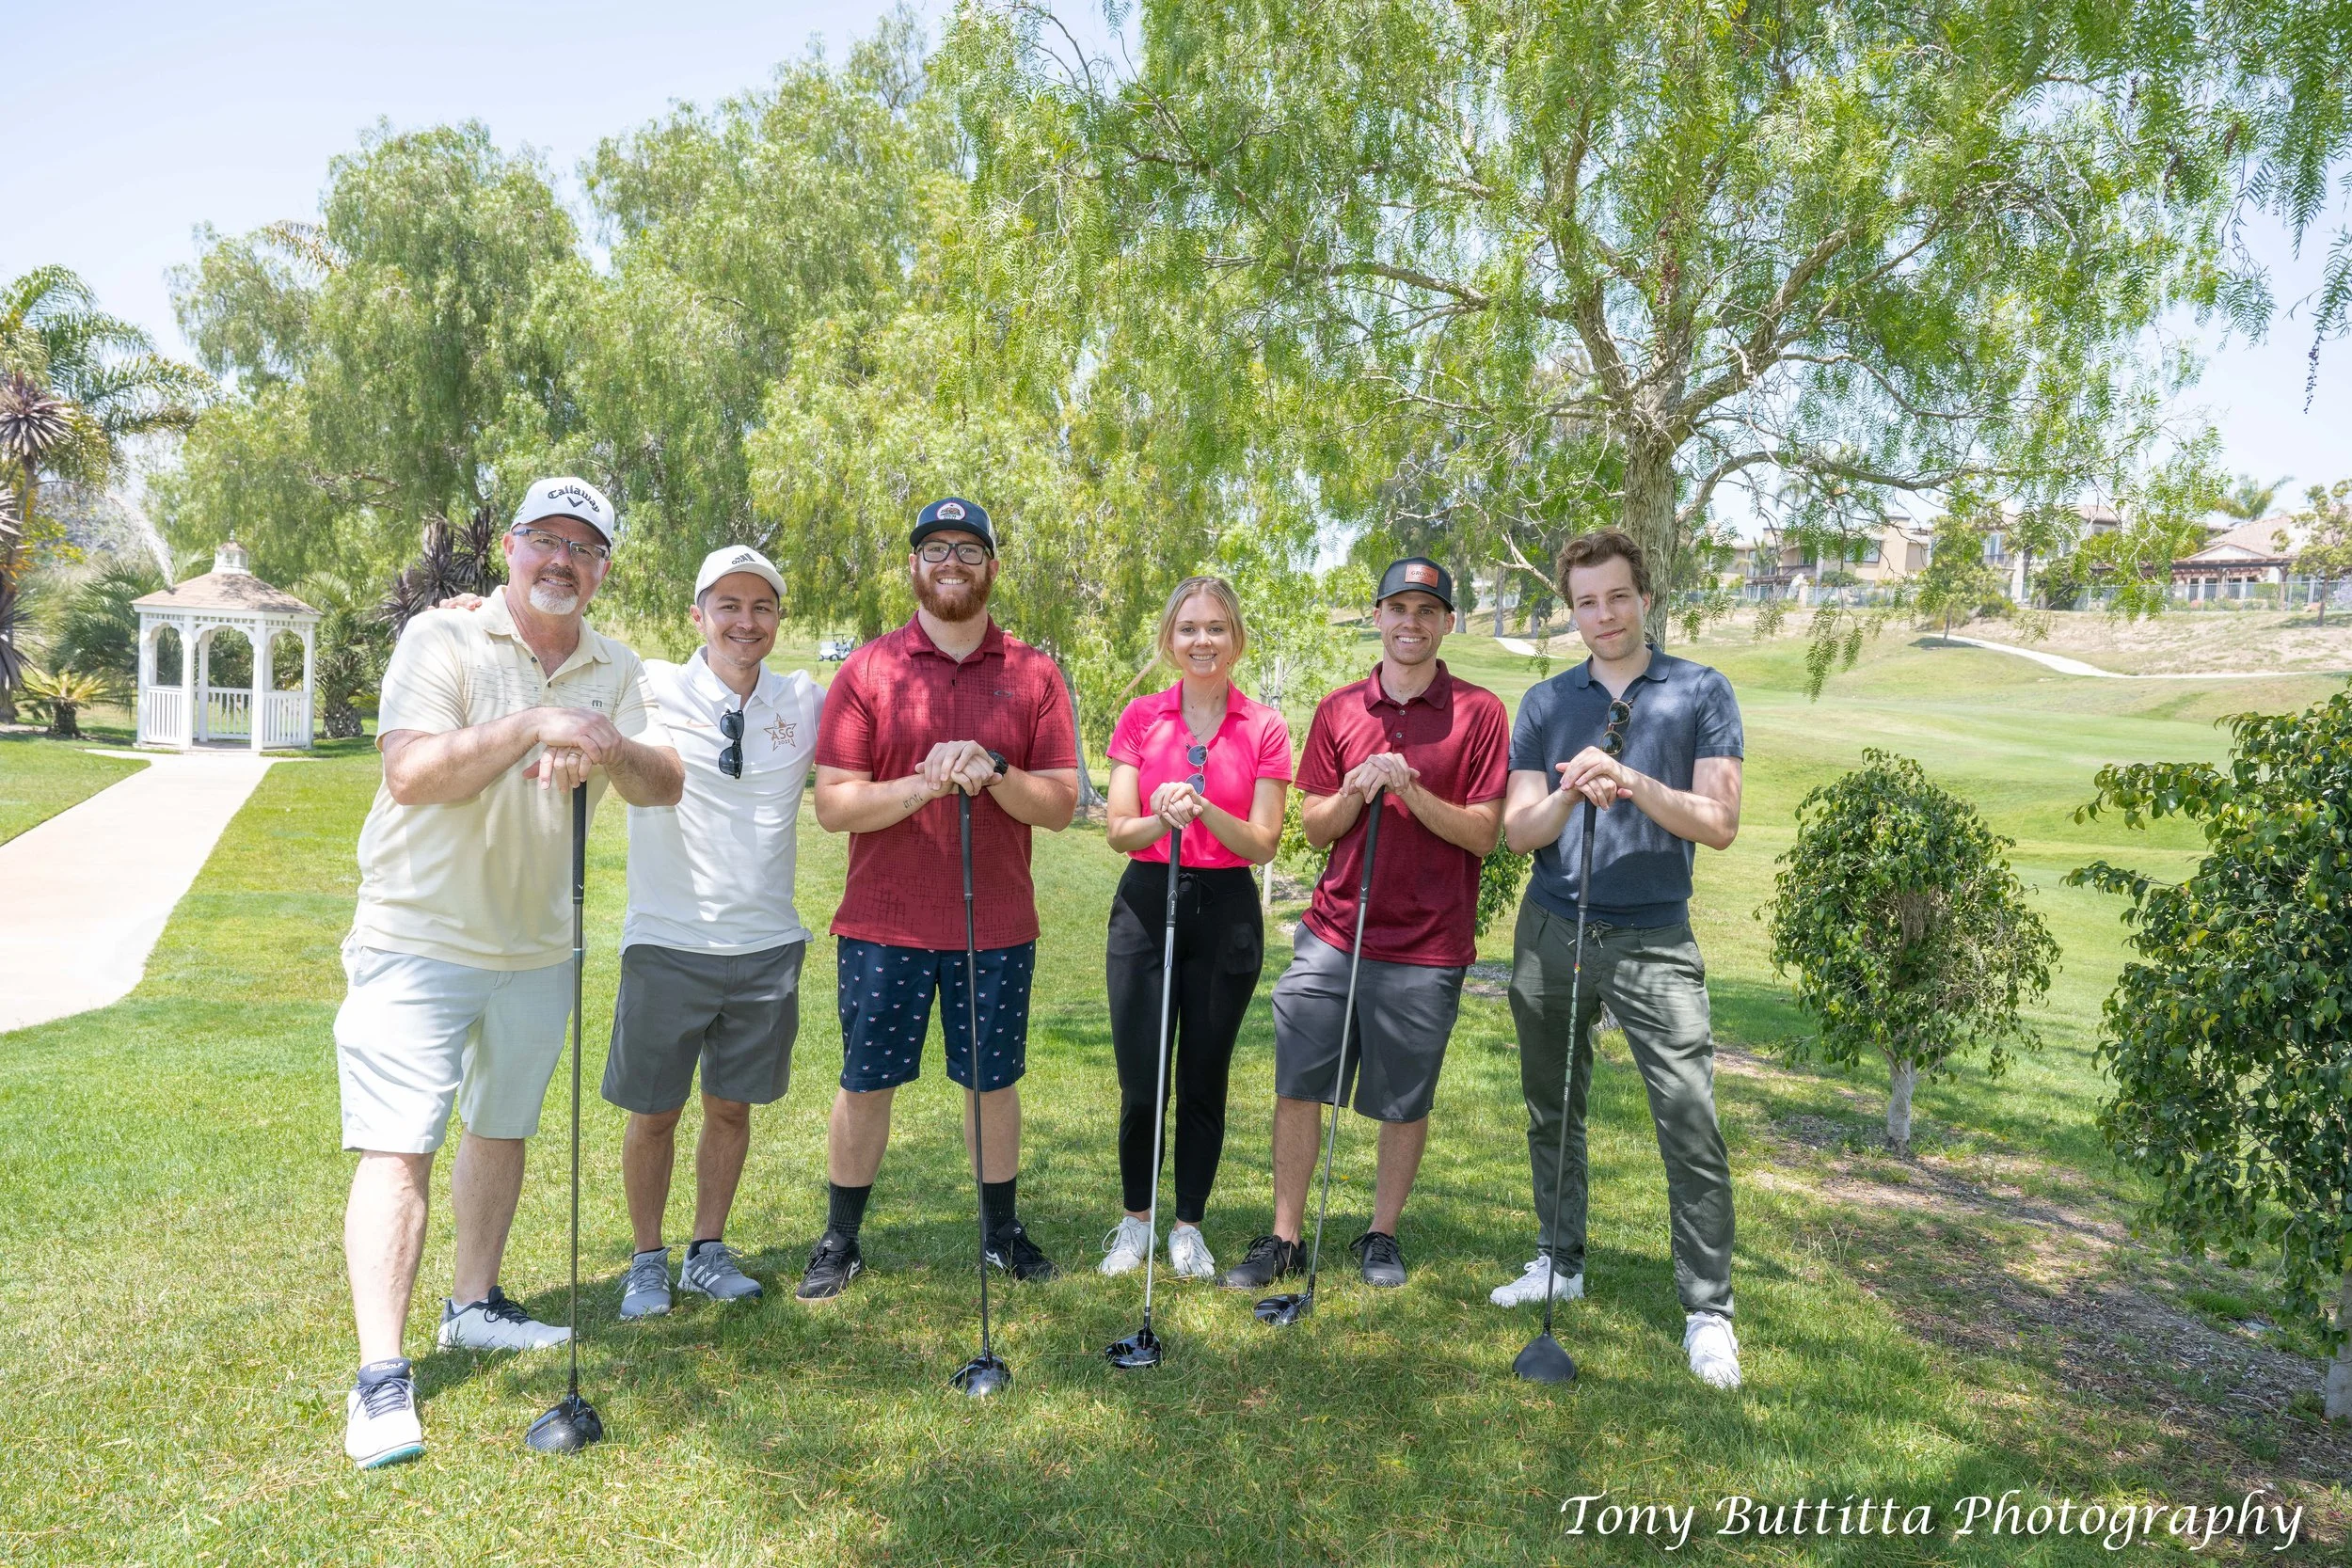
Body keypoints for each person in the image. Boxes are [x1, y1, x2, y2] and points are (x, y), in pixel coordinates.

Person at [336, 477, 683, 1469]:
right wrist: (533, 724)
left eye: (583, 545)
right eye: (544, 540)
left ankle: (473, 1301)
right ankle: (380, 1375)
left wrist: (604, 744)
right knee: (398, 1143)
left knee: (501, 1125)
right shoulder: (440, 641)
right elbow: (412, 770)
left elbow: (664, 782)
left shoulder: (615, 667)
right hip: (418, 933)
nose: (561, 560)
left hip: (538, 944)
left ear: (603, 566)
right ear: (510, 550)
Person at [797, 497, 1080, 1300]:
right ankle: (840, 1238)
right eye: (934, 550)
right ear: (913, 568)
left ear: (992, 565)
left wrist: (993, 768)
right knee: (866, 1080)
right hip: (883, 922)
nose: (950, 563)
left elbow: (1059, 805)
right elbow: (834, 805)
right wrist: (927, 783)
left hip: (994, 923)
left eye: (967, 549)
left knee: (991, 1082)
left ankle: (1000, 1234)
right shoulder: (869, 670)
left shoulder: (1034, 673)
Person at [1493, 529, 1746, 1390]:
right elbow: (1516, 829)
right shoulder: (1544, 702)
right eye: (1586, 602)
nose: (1603, 615)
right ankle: (1559, 1259)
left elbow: (1717, 822)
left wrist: (1631, 779)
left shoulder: (1701, 691)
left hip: (1654, 936)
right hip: (1554, 924)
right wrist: (1570, 787)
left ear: (1645, 596)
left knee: (1688, 1117)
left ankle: (1708, 1309)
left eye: (1617, 597)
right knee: (1552, 1105)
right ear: (1572, 610)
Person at [1216, 558, 1508, 1294]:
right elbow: (1313, 828)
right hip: (1334, 932)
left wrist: (1410, 786)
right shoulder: (1342, 707)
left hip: (1429, 944)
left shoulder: (1479, 711)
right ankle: (1285, 1236)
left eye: (1427, 610)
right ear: (1377, 615)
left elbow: (1482, 833)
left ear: (1447, 622)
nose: (1411, 622)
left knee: (1404, 1097)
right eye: (1398, 607)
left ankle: (1381, 1231)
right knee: (1299, 1081)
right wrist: (1353, 789)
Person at [606, 546, 824, 1319]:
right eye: (726, 604)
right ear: (697, 615)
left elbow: (888, 701)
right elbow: (552, 657)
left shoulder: (804, 698)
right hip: (668, 942)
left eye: (761, 606)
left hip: (766, 947)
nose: (745, 619)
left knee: (732, 1109)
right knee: (654, 1113)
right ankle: (646, 1260)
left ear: (778, 620)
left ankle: (706, 1249)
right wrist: (475, 612)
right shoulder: (650, 683)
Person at [1098, 576, 1292, 1280]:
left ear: (1235, 637)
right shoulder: (1142, 716)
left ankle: (1188, 1225)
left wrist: (1204, 810)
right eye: (1188, 628)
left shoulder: (1264, 726)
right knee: (1143, 1078)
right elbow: (1120, 829)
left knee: (1204, 1074)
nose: (1201, 640)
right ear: (1169, 638)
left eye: (1215, 627)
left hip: (1227, 911)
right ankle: (1136, 1222)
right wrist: (1164, 816)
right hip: (1147, 902)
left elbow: (1265, 842)